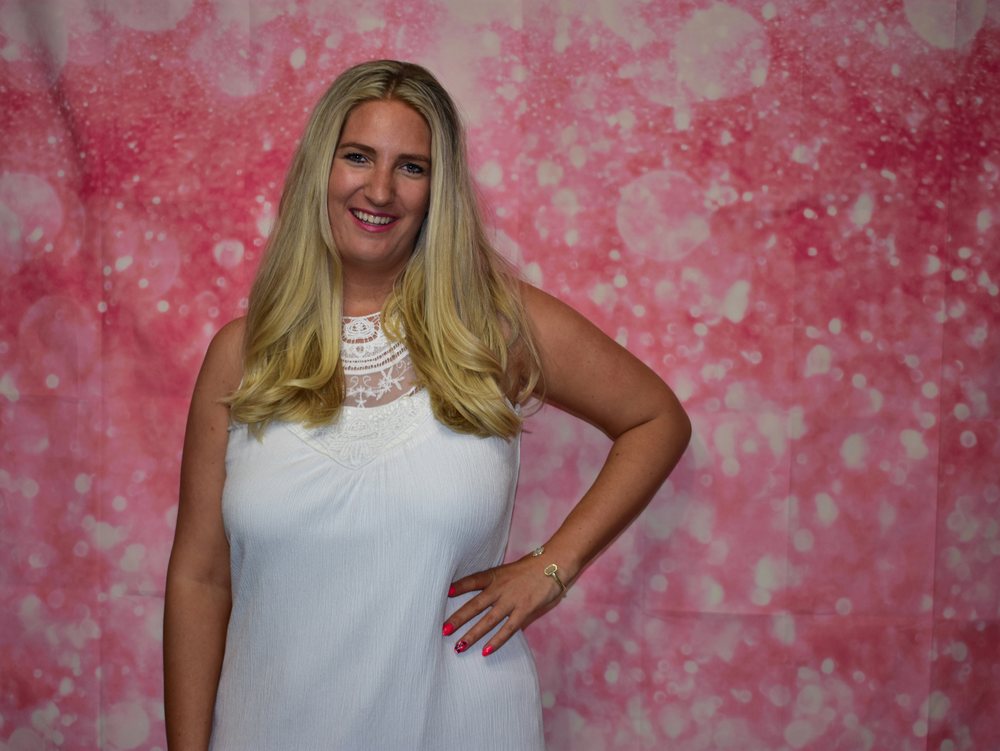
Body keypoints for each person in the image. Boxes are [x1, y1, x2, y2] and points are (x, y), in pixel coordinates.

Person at [163, 59, 691, 750]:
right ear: (321, 168)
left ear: (439, 189)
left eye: (412, 167)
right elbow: (201, 579)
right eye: (358, 156)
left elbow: (656, 419)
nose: (380, 189)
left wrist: (553, 568)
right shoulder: (243, 354)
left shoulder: (493, 327)